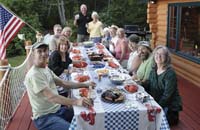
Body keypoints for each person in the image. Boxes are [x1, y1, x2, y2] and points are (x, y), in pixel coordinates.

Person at [24, 42, 95, 130]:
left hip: (57, 110)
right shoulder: (34, 74)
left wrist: (85, 85)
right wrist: (76, 102)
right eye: (39, 51)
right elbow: (52, 97)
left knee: (86, 114)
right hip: (44, 118)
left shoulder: (45, 69)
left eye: (45, 50)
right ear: (33, 55)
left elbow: (63, 83)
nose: (43, 54)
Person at [146, 45, 182, 126]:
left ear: (167, 58)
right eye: (156, 53)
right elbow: (148, 84)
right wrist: (138, 85)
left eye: (161, 55)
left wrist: (156, 107)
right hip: (156, 102)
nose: (158, 56)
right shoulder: (153, 69)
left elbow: (167, 96)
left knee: (154, 123)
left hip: (168, 106)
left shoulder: (170, 73)